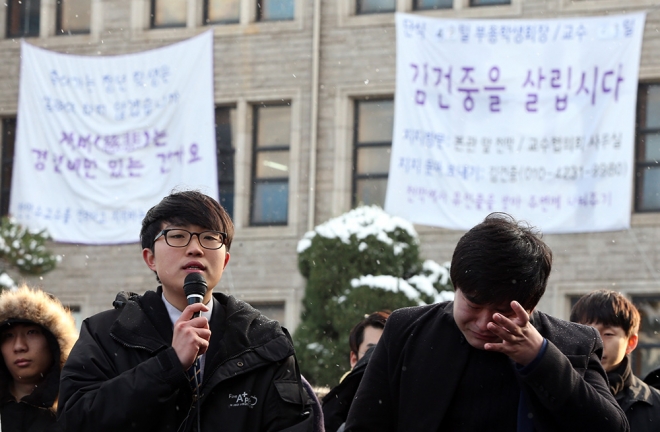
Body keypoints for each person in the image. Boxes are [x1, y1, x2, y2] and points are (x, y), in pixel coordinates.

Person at [58, 190, 317, 432]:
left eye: (209, 237)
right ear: (150, 259)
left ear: (225, 260)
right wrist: (168, 365)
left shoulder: (264, 342)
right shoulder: (105, 334)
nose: (195, 248)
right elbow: (76, 421)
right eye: (178, 236)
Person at [344, 213, 628, 432]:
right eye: (473, 304)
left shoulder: (573, 343)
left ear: (531, 305)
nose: (484, 323)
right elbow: (365, 425)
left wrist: (540, 358)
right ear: (456, 286)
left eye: (503, 311)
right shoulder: (408, 330)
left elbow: (611, 427)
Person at [570, 290, 660, 431]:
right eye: (587, 331)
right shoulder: (555, 393)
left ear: (631, 342)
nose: (597, 343)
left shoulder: (655, 405)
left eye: (608, 334)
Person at [0, 285, 78, 432]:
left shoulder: (78, 413)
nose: (19, 346)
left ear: (55, 342)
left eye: (31, 332)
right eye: (8, 336)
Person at [322, 311, 390, 432]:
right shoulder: (333, 412)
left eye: (385, 350)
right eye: (371, 351)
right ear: (354, 359)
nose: (379, 358)